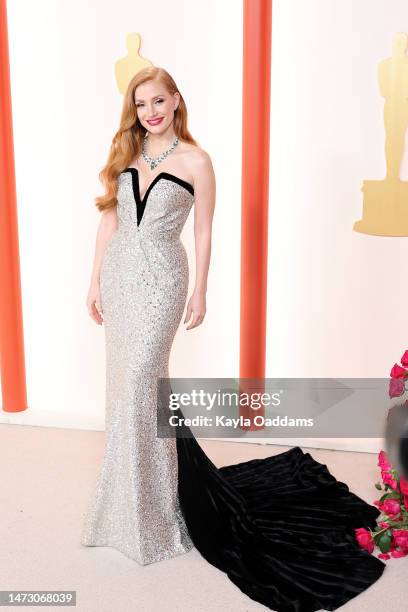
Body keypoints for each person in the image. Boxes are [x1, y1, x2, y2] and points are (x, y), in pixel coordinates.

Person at [81, 65, 385, 611]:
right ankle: (125, 507)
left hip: (163, 280)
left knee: (144, 386)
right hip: (120, 276)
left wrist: (200, 291)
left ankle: (156, 514)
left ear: (176, 100)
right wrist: (94, 279)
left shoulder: (197, 161)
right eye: (141, 103)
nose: (150, 111)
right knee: (124, 392)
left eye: (158, 100)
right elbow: (109, 222)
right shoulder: (125, 154)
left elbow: (203, 229)